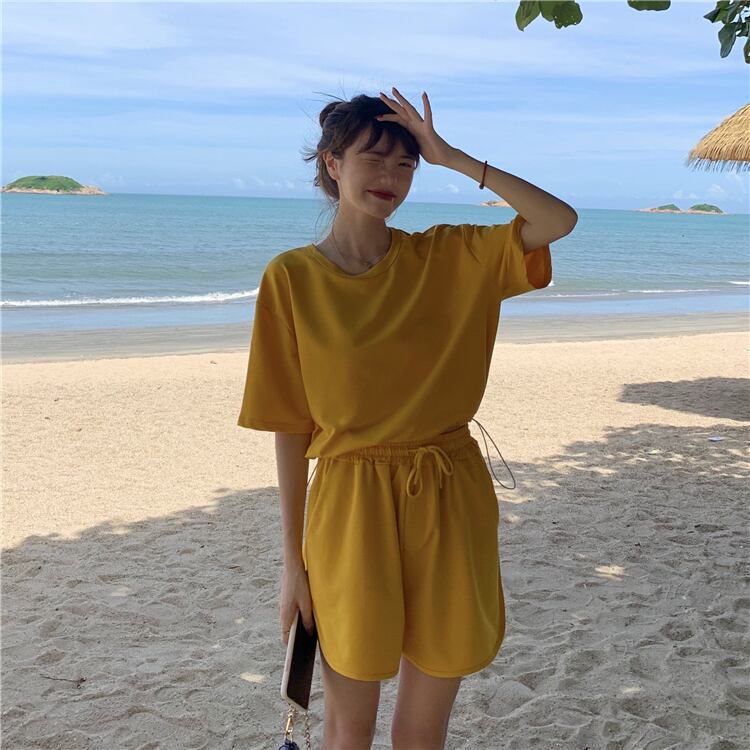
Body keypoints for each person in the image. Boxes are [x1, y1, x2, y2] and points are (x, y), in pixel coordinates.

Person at [238, 87, 577, 750]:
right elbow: (290, 425)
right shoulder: (292, 278)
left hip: (448, 494)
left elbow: (557, 219)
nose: (390, 176)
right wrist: (292, 562)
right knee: (348, 728)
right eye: (373, 158)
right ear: (333, 163)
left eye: (406, 163)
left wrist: (453, 158)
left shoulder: (448, 256)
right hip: (349, 504)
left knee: (422, 731)